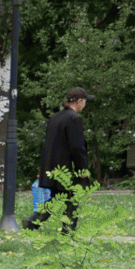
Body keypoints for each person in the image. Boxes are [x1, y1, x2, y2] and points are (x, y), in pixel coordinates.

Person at [24, 86, 94, 231]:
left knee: (58, 198)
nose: (85, 104)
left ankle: (33, 221)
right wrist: (82, 169)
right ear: (80, 101)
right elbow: (77, 147)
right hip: (67, 168)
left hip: (52, 166)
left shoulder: (55, 117)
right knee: (72, 199)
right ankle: (68, 232)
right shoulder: (74, 119)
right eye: (85, 101)